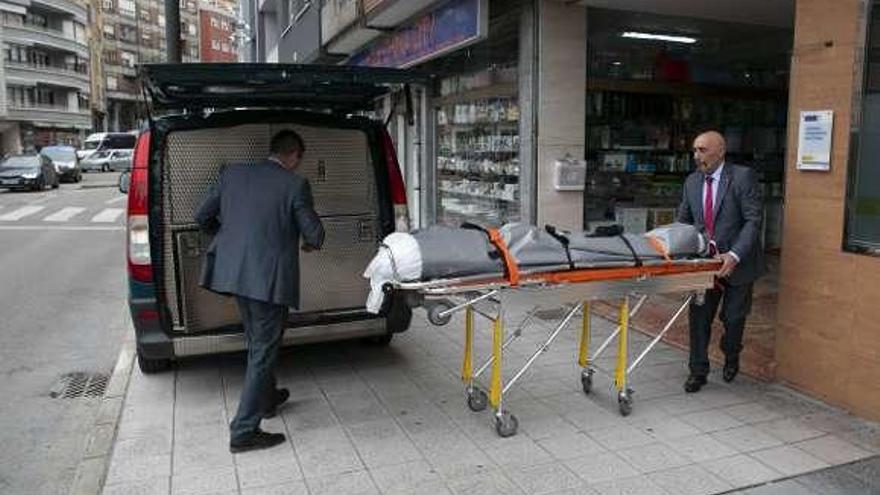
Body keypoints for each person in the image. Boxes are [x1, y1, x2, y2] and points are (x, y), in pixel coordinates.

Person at [195, 129, 325, 452]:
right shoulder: (295, 185)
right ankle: (243, 431)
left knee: (257, 341)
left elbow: (202, 216)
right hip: (267, 280)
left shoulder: (233, 174)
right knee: (264, 348)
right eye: (298, 160)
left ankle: (267, 399)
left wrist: (230, 239)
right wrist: (308, 243)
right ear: (293, 155)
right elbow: (315, 234)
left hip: (236, 274)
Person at [677, 131, 763, 393]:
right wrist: (676, 249)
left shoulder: (741, 177)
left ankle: (731, 353)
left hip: (738, 262)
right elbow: (684, 222)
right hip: (705, 264)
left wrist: (735, 254)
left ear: (721, 151)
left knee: (733, 318)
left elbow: (753, 220)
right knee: (699, 317)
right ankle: (698, 371)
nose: (696, 156)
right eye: (694, 150)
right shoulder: (692, 182)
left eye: (702, 150)